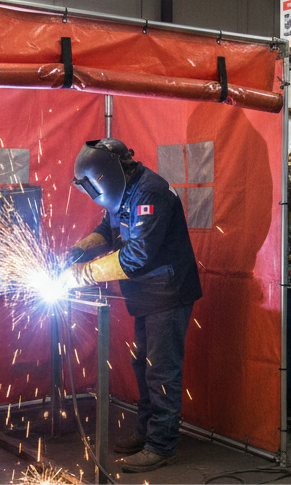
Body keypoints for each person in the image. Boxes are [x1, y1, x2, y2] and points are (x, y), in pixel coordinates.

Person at [61, 138, 203, 473]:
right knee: (143, 364)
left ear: (111, 174)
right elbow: (108, 229)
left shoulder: (150, 193)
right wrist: (80, 250)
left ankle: (162, 445)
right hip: (146, 295)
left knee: (161, 370)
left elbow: (137, 256)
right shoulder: (122, 191)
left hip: (168, 294)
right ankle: (146, 431)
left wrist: (83, 274)